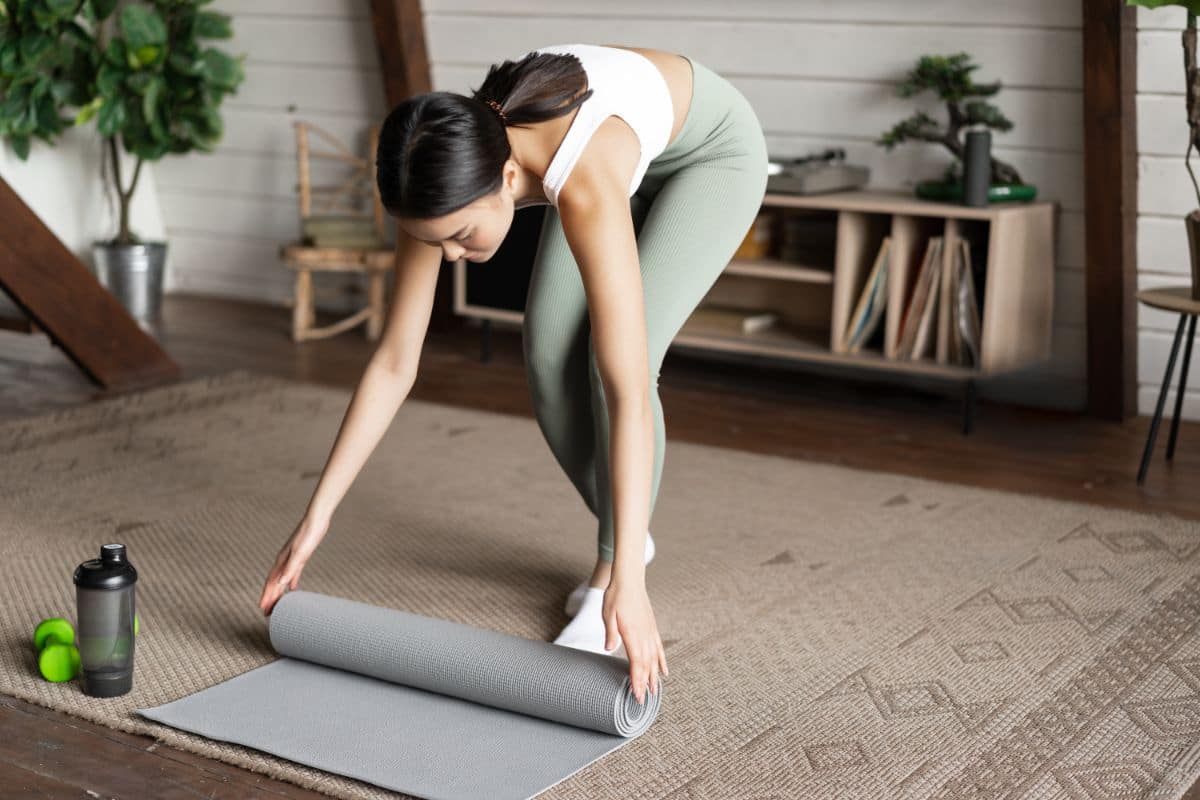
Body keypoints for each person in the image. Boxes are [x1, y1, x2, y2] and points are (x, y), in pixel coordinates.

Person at [258, 43, 768, 707]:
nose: (451, 256)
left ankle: (616, 562)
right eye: (435, 241)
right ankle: (627, 537)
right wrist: (315, 518)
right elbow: (393, 362)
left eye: (462, 235)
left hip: (711, 156)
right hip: (620, 154)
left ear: (504, 178)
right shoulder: (437, 173)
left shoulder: (581, 177)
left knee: (614, 360)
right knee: (548, 353)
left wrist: (629, 589)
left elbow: (627, 388)